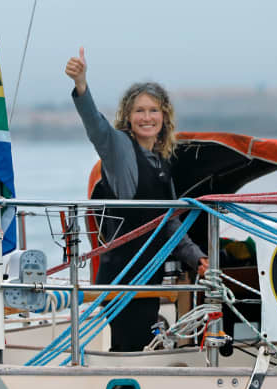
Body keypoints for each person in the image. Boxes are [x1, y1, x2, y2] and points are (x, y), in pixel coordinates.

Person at [65, 47, 209, 352]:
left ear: (164, 117)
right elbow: (96, 127)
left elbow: (170, 224)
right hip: (121, 278)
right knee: (127, 349)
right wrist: (81, 85)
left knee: (140, 347)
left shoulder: (161, 163)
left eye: (153, 110)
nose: (147, 117)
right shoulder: (118, 148)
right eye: (139, 111)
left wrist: (198, 258)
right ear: (128, 118)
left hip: (148, 278)